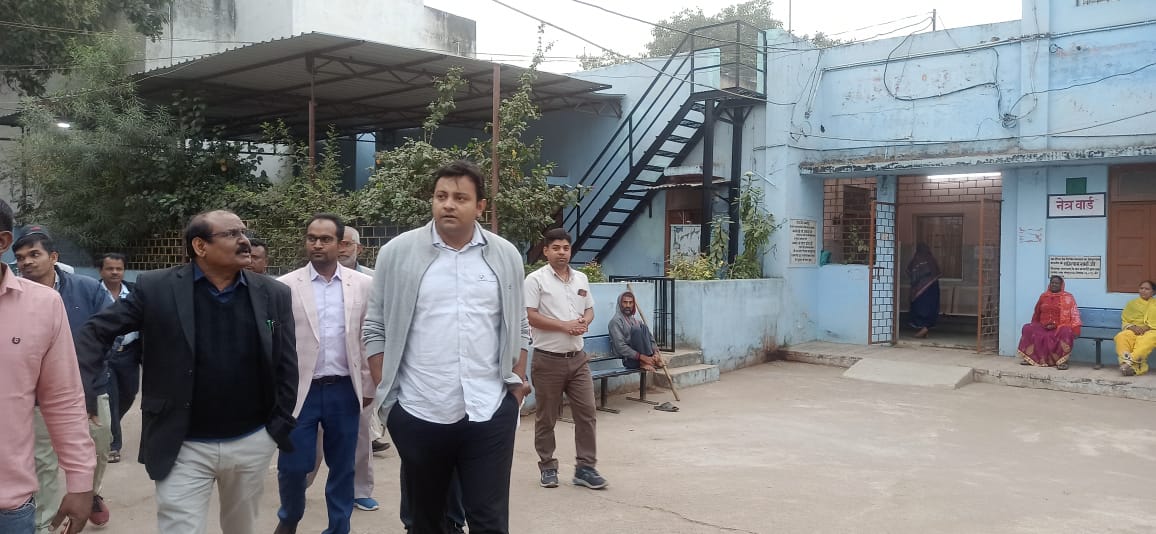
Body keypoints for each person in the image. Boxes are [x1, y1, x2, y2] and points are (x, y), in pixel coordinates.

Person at [75, 209, 299, 534]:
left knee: (242, 527)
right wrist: (85, 391)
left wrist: (276, 426)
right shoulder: (157, 288)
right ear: (200, 246)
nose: (244, 241)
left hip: (251, 441)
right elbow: (95, 332)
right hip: (181, 443)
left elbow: (286, 363)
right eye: (232, 234)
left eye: (244, 232)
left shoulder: (273, 293)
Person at [364, 159, 531, 534]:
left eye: (460, 197)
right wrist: (390, 397)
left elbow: (519, 324)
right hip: (419, 410)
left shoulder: (504, 255)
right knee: (426, 522)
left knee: (489, 522)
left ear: (480, 206)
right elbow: (375, 326)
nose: (448, 205)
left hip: (489, 410)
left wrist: (516, 386)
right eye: (441, 196)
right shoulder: (397, 253)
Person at [274, 214, 375, 534]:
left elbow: (368, 337)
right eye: (312, 238)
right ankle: (290, 516)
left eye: (325, 239)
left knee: (343, 466)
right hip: (299, 391)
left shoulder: (363, 285)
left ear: (340, 243)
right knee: (293, 465)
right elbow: (275, 338)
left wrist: (369, 384)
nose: (317, 244)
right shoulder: (285, 286)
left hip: (344, 389)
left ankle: (338, 528)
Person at [0, 199, 96, 534]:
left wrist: (80, 482)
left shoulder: (43, 305)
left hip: (8, 506)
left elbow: (63, 398)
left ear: (2, 242)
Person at [13, 230, 114, 530]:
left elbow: (110, 332)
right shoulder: (15, 297)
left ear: (54, 257)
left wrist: (87, 377)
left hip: (90, 387)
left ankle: (89, 494)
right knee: (43, 463)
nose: (27, 262)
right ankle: (44, 524)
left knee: (99, 449)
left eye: (34, 254)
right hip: (37, 396)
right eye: (20, 258)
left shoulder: (87, 289)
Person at [524, 228, 607, 491]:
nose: (562, 252)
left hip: (578, 359)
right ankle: (548, 466)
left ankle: (585, 468)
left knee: (587, 413)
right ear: (546, 251)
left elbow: (590, 309)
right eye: (556, 248)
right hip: (548, 360)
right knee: (547, 417)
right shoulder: (535, 280)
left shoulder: (581, 278)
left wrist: (585, 322)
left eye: (566, 248)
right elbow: (530, 316)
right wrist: (564, 326)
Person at [97, 253, 141, 465]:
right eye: (110, 268)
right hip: (105, 354)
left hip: (130, 353)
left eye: (119, 268)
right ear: (101, 271)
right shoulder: (94, 292)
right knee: (111, 398)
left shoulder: (134, 292)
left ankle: (112, 422)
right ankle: (114, 445)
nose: (114, 272)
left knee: (129, 394)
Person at [1016, 276, 1081, 370]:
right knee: (1027, 328)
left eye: (1056, 283)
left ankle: (1062, 361)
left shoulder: (1068, 297)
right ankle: (1031, 358)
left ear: (1061, 285)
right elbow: (1037, 312)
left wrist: (1076, 330)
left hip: (1059, 327)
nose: (1054, 285)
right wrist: (1035, 324)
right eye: (1052, 282)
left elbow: (1074, 314)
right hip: (1043, 326)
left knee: (1066, 331)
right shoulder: (1043, 296)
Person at [608, 291, 665, 372]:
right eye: (625, 302)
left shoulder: (635, 320)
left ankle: (653, 358)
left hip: (645, 357)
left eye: (630, 302)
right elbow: (620, 347)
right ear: (620, 304)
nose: (628, 305)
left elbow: (650, 338)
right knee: (636, 329)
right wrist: (642, 357)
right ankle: (644, 363)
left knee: (643, 327)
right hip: (630, 360)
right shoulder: (615, 322)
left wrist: (655, 352)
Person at [1116, 280, 1156, 377]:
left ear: (1153, 292)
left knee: (1146, 340)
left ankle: (1127, 363)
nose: (1143, 291)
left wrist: (1147, 327)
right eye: (1141, 288)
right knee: (1122, 336)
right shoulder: (1132, 304)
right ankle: (1132, 367)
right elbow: (1125, 319)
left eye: (1147, 289)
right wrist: (1132, 327)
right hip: (1133, 329)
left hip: (1152, 330)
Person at [906, 242, 941, 339]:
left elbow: (910, 271)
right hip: (933, 288)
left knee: (921, 307)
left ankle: (924, 329)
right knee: (931, 307)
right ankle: (925, 329)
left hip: (921, 291)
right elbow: (937, 272)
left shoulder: (918, 259)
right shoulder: (932, 259)